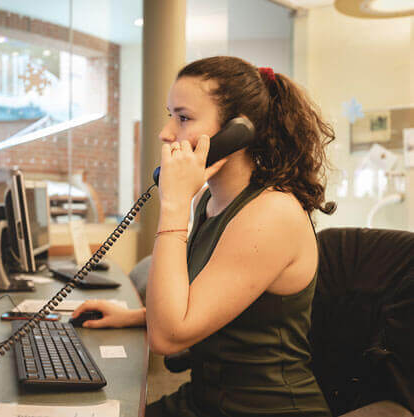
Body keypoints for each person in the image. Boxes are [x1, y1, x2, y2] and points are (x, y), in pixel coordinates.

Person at [71, 56, 335, 417]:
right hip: (206, 401)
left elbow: (168, 339)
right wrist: (136, 316)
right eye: (171, 115)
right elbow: (207, 300)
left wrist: (175, 203)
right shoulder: (212, 200)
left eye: (183, 118)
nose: (166, 133)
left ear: (237, 132)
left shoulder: (271, 214)